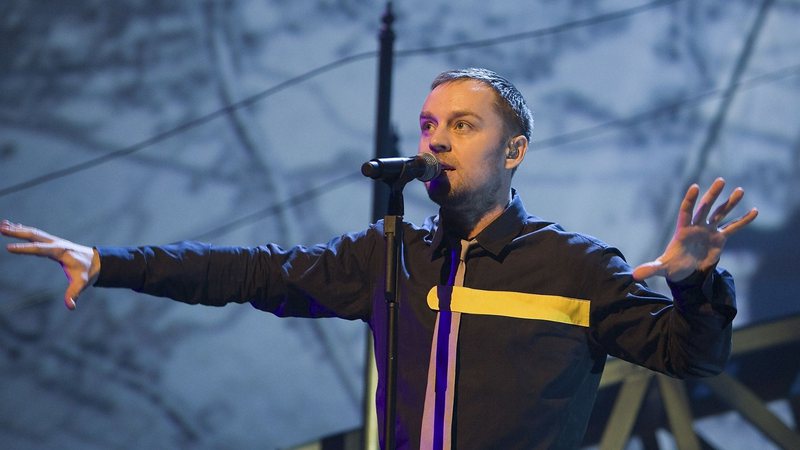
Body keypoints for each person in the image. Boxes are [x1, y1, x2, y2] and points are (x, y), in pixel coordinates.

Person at [1, 68, 758, 449]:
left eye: (462, 125)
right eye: (430, 124)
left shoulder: (576, 267)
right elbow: (250, 271)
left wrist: (696, 287)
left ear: (514, 150)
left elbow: (691, 359)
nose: (436, 140)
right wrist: (108, 261)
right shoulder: (390, 255)